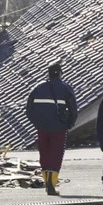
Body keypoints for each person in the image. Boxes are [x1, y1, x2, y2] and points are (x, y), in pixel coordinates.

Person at [25, 61, 78, 196]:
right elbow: (73, 110)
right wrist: (69, 124)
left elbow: (29, 111)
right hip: (59, 127)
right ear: (60, 74)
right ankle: (51, 185)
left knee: (45, 153)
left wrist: (37, 123)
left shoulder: (37, 88)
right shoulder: (65, 88)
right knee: (56, 154)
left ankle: (47, 181)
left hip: (42, 127)